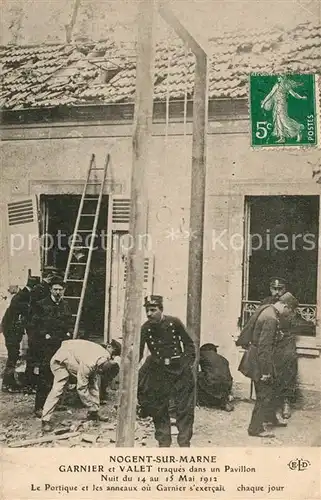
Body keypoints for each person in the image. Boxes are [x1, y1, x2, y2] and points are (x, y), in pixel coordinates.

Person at [138, 295, 195, 447]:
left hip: (179, 370)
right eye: (147, 310)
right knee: (159, 408)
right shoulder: (145, 328)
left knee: (184, 409)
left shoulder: (174, 322)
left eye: (153, 310)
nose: (149, 314)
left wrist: (186, 364)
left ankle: (184, 443)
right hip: (159, 372)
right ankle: (164, 443)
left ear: (161, 310)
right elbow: (138, 352)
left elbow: (189, 345)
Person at [246, 292, 299, 438]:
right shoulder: (271, 318)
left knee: (271, 388)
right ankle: (255, 429)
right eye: (290, 311)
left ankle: (270, 418)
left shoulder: (268, 309)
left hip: (256, 355)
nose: (289, 315)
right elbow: (264, 348)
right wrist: (265, 372)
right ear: (286, 306)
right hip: (260, 359)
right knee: (264, 394)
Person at [41, 339, 121, 432]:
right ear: (100, 368)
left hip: (74, 355)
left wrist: (93, 406)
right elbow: (81, 388)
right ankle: (45, 419)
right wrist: (89, 404)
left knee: (93, 383)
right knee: (59, 387)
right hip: (60, 360)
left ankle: (93, 413)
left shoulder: (106, 356)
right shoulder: (89, 364)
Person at [32, 277, 73, 417]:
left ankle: (55, 404)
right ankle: (40, 407)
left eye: (60, 290)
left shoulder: (65, 305)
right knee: (45, 376)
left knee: (60, 375)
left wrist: (69, 332)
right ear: (50, 289)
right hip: (46, 347)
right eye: (55, 289)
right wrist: (45, 335)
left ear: (64, 291)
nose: (57, 292)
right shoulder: (41, 305)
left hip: (60, 346)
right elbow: (34, 326)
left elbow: (68, 322)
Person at [261, 277, 298, 419]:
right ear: (270, 289)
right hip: (270, 341)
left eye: (280, 289)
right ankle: (268, 403)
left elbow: (294, 322)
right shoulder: (265, 303)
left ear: (284, 289)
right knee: (267, 364)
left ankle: (286, 401)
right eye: (274, 289)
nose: (277, 292)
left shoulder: (289, 303)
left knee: (289, 362)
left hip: (285, 340)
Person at [1, 276, 38, 392]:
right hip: (12, 332)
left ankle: (9, 383)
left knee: (14, 356)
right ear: (34, 287)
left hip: (11, 331)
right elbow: (26, 313)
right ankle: (7, 384)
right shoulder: (22, 298)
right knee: (13, 357)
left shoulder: (21, 296)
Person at [197, 343, 234, 411]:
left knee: (196, 375)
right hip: (227, 385)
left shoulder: (202, 354)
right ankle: (223, 401)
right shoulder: (224, 359)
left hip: (212, 382)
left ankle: (198, 401)